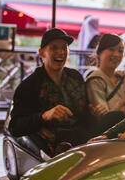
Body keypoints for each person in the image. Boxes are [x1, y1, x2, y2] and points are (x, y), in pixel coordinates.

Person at [9, 28, 90, 156]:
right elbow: (15, 127)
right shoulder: (30, 85)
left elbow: (85, 113)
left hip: (81, 136)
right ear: (41, 53)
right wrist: (45, 116)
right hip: (51, 144)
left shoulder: (75, 77)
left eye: (64, 48)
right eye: (54, 48)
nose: (61, 52)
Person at [86, 33, 125, 134]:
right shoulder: (95, 79)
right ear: (100, 52)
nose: (116, 54)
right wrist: (121, 104)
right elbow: (105, 116)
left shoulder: (123, 76)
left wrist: (124, 104)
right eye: (111, 49)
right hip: (106, 132)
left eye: (120, 51)